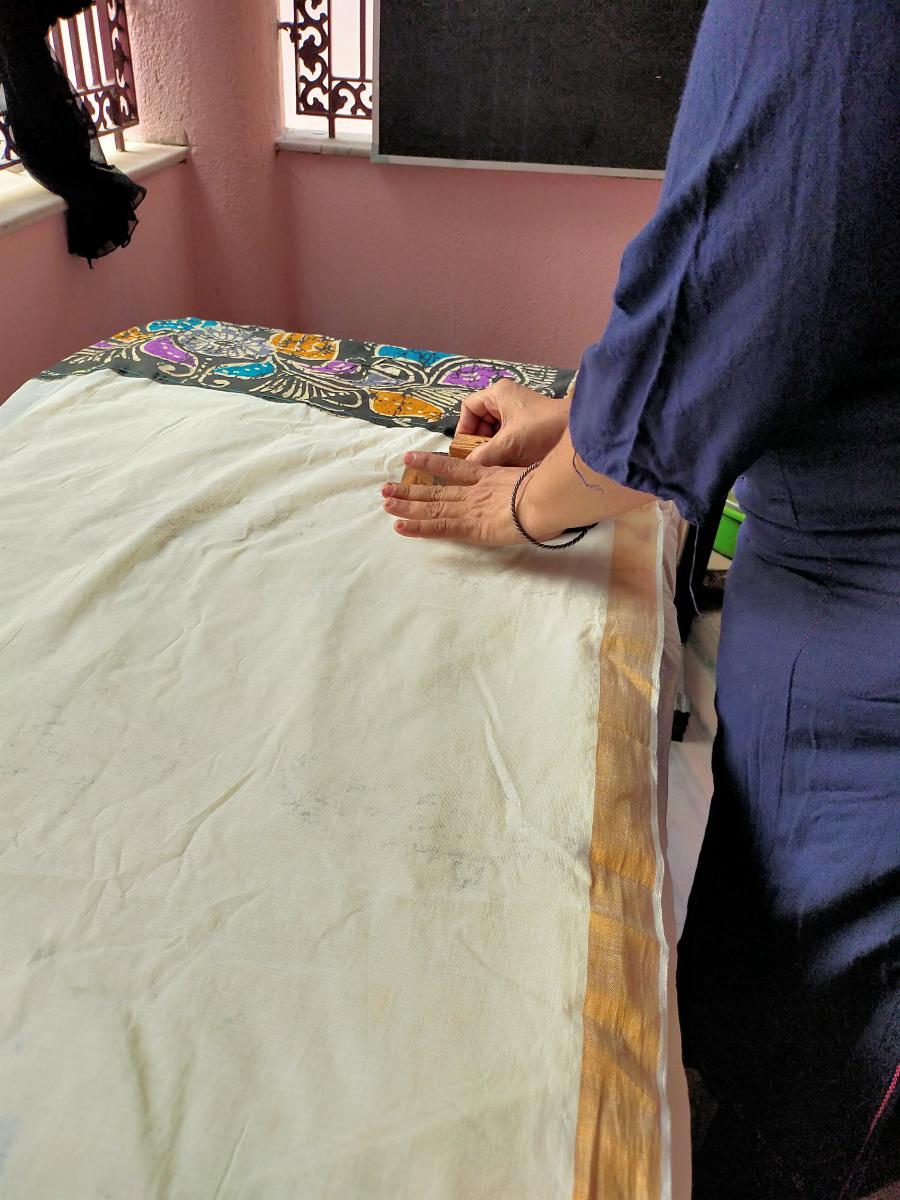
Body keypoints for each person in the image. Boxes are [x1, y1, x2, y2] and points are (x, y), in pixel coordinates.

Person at [380, 2, 899, 1196]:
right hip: (837, 605)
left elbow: (742, 293)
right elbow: (786, 299)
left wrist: (525, 508)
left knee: (824, 1058)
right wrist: (581, 420)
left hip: (869, 688)